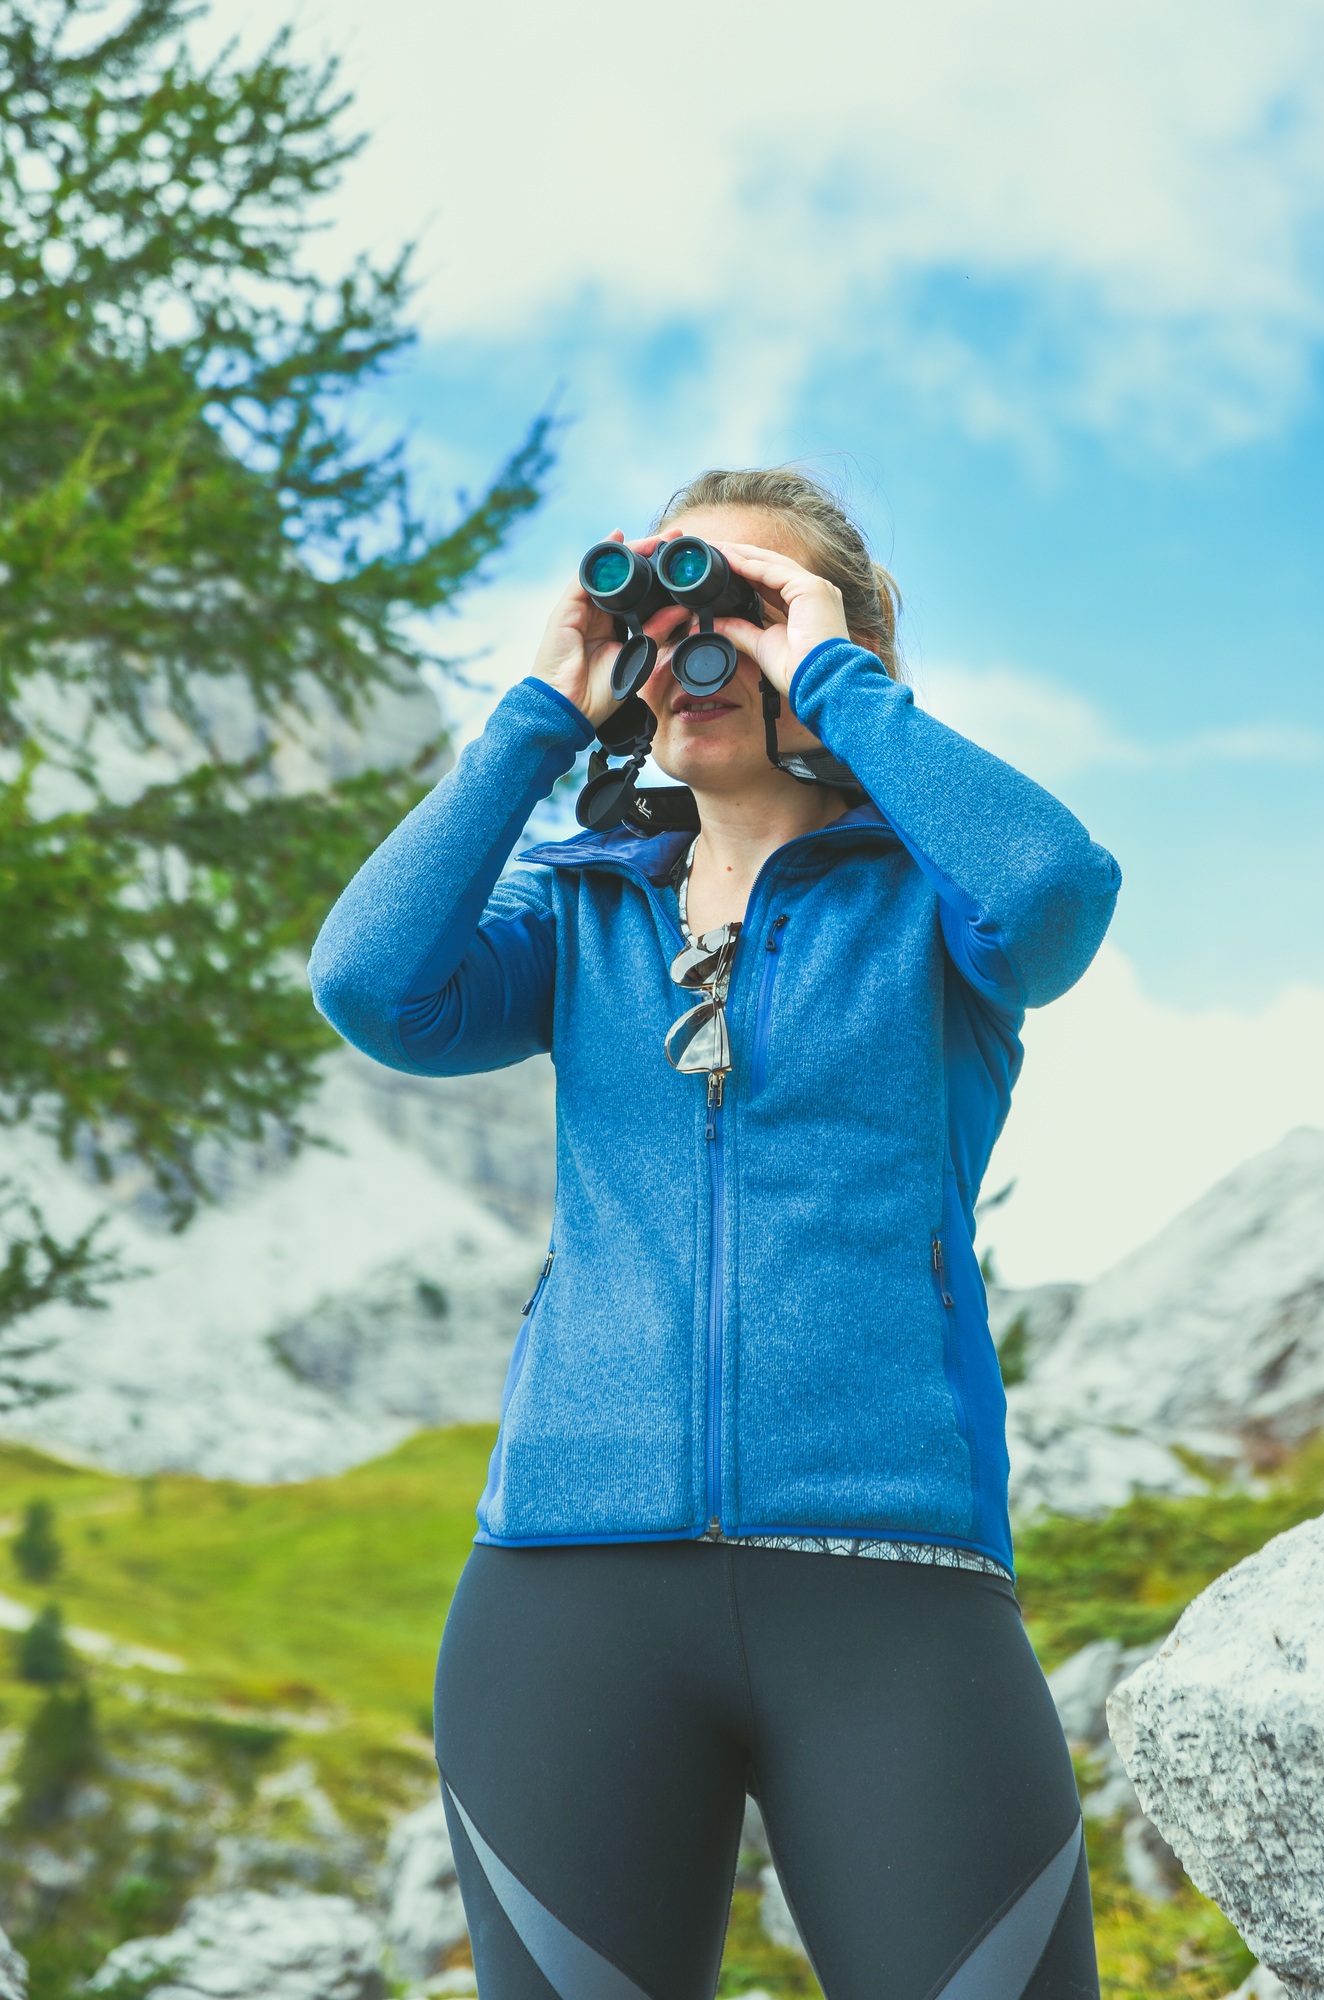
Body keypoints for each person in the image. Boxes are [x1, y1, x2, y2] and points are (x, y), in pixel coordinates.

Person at [309, 467, 1119, 2000]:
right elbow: (372, 987)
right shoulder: (574, 911)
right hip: (562, 1599)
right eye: (665, 614)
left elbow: (1054, 890)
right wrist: (548, 705)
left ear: (830, 649)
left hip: (893, 1588)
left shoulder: (938, 915)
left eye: (742, 608)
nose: (695, 646)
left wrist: (831, 675)